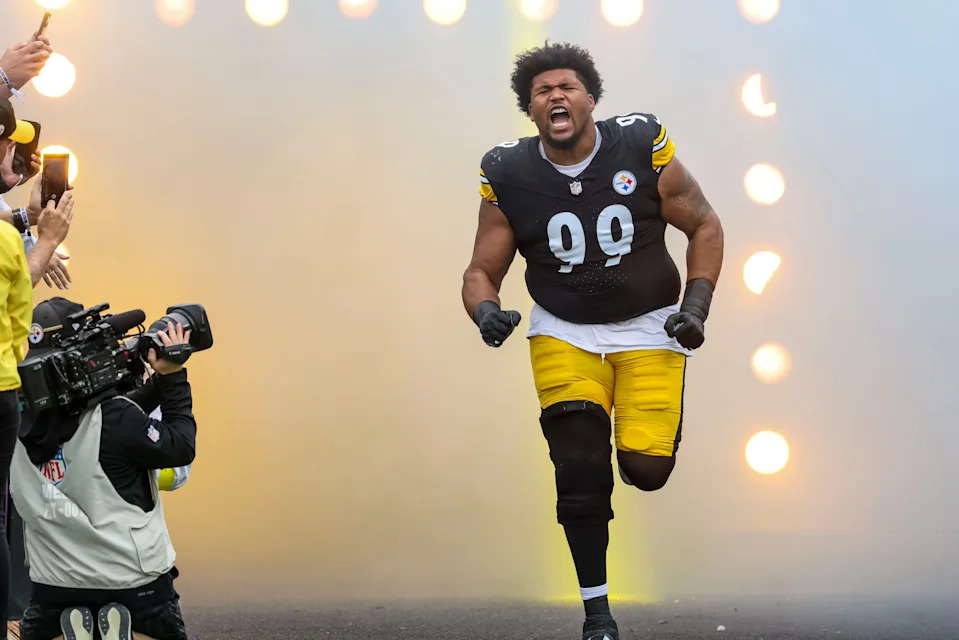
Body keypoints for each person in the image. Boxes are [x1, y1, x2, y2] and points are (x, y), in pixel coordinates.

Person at [461, 42, 724, 640]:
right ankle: (597, 614)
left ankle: (645, 435)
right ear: (530, 111)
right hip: (564, 327)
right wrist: (485, 312)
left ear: (591, 99)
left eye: (567, 86)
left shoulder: (640, 143)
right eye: (542, 91)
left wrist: (697, 308)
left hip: (650, 324)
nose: (555, 95)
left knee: (646, 469)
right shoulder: (508, 171)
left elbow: (704, 222)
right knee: (578, 466)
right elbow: (481, 270)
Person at [10, 298, 196, 640]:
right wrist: (174, 376)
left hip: (54, 585)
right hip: (134, 584)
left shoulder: (12, 424)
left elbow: (85, 417)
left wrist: (155, 382)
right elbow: (181, 445)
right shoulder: (116, 420)